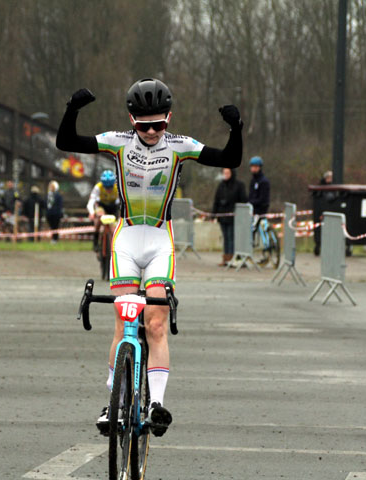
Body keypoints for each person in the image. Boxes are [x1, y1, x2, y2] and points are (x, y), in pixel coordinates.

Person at [56, 78, 243, 437]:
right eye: (145, 126)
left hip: (160, 239)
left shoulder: (179, 146)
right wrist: (72, 109)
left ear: (169, 118)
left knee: (155, 322)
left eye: (160, 124)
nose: (154, 131)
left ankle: (156, 403)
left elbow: (229, 157)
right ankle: (114, 402)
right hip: (126, 238)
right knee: (123, 323)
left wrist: (236, 129)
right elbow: (66, 142)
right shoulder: (118, 143)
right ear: (132, 121)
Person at [212, 168, 246, 266]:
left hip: (234, 217)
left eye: (227, 173)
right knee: (225, 238)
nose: (225, 175)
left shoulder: (238, 185)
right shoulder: (221, 185)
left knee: (231, 238)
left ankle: (232, 258)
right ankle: (226, 259)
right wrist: (213, 214)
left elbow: (243, 200)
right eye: (224, 173)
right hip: (223, 216)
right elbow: (216, 200)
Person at [87, 169, 120, 249]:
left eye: (110, 187)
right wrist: (91, 213)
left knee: (114, 228)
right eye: (106, 187)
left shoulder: (118, 187)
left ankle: (114, 246)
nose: (108, 189)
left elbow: (123, 202)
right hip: (101, 206)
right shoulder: (98, 187)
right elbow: (91, 201)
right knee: (99, 217)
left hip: (113, 207)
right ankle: (96, 239)